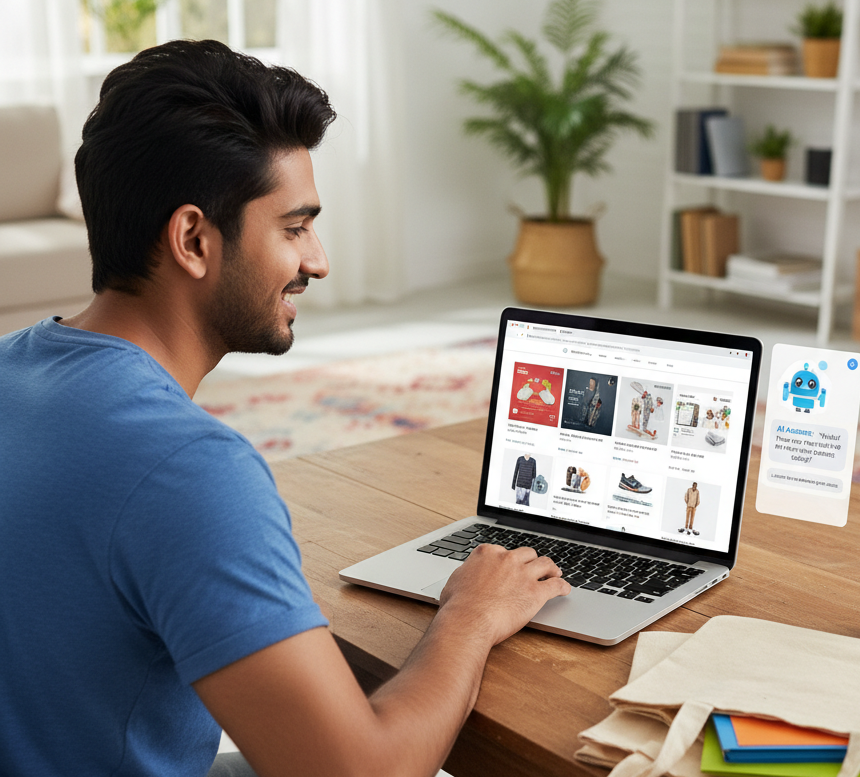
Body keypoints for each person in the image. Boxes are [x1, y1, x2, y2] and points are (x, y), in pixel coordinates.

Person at [0, 40, 569, 777]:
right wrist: (470, 616)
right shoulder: (188, 469)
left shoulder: (12, 364)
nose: (318, 260)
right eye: (295, 228)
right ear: (194, 240)